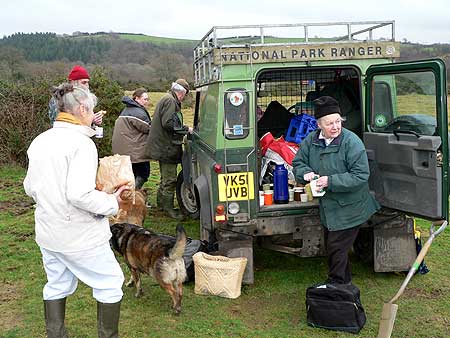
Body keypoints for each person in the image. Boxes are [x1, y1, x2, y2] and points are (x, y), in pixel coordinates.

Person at [24, 83, 129, 338]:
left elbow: (30, 187)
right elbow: (79, 194)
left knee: (57, 284)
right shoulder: (81, 144)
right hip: (79, 235)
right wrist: (112, 202)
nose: (93, 115)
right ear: (82, 108)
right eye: (91, 110)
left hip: (49, 233)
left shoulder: (41, 140)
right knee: (110, 283)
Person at [292, 96, 380, 285]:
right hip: (328, 208)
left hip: (351, 207)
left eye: (338, 121)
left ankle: (337, 286)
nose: (335, 127)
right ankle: (343, 284)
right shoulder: (311, 140)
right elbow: (298, 163)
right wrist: (305, 173)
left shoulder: (351, 142)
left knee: (336, 248)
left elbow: (360, 175)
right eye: (330, 123)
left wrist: (329, 181)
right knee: (334, 248)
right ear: (319, 125)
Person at [145, 79, 193, 220]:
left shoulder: (167, 98)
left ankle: (161, 206)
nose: (184, 98)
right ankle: (168, 209)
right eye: (185, 94)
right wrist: (186, 129)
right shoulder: (171, 101)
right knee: (170, 179)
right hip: (166, 147)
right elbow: (168, 123)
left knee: (164, 178)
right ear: (181, 92)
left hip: (162, 146)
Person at [112, 88, 151, 189]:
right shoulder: (138, 112)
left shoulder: (128, 109)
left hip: (125, 150)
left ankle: (129, 197)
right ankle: (132, 195)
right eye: (145, 99)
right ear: (136, 98)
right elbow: (149, 128)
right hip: (135, 151)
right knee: (143, 173)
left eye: (147, 99)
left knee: (130, 175)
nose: (147, 102)